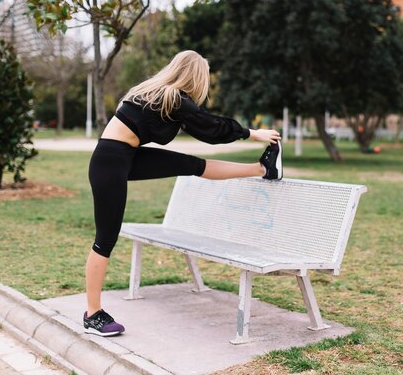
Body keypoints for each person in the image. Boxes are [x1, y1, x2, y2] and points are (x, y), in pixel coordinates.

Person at [83, 50, 283, 336]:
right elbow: (212, 129)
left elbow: (202, 126)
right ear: (196, 77)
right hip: (110, 161)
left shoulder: (164, 97)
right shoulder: (170, 97)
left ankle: (263, 169)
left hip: (126, 155)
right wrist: (253, 133)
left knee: (191, 164)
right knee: (105, 239)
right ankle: (93, 314)